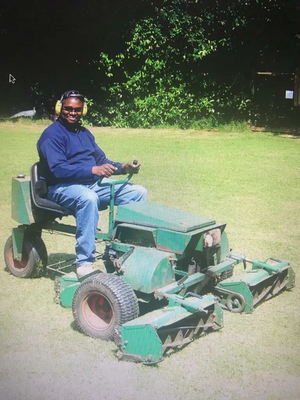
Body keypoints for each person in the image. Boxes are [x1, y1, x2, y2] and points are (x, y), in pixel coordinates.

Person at [37, 90, 147, 277]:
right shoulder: (51, 135)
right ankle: (84, 262)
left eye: (77, 110)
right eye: (68, 109)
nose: (73, 113)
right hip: (60, 187)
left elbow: (101, 159)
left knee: (138, 192)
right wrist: (93, 170)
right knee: (88, 198)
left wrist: (124, 167)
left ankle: (120, 250)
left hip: (90, 183)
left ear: (84, 111)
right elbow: (58, 169)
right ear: (60, 108)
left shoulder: (84, 133)